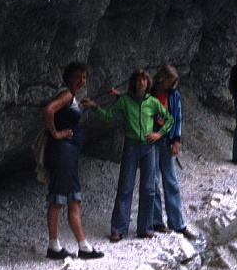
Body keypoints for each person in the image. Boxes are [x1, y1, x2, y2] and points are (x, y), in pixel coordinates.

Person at [82, 68, 173, 242]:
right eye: (139, 80)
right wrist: (94, 107)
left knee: (148, 188)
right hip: (131, 146)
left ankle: (145, 228)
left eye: (144, 80)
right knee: (125, 187)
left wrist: (159, 134)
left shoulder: (152, 102)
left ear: (148, 83)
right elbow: (108, 115)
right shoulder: (124, 100)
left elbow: (169, 119)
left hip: (149, 147)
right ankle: (118, 229)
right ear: (134, 82)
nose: (141, 83)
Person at [42, 62, 104, 260]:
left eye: (84, 77)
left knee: (73, 200)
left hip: (68, 154)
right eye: (78, 76)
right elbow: (49, 110)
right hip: (63, 153)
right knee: (59, 198)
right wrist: (56, 134)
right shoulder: (67, 95)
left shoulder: (71, 97)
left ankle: (82, 246)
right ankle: (55, 246)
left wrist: (79, 105)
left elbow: (63, 112)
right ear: (68, 77)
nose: (82, 80)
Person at [148, 65, 197, 240]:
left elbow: (177, 118)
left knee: (171, 182)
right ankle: (156, 221)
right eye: (170, 80)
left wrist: (176, 140)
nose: (171, 84)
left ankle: (177, 224)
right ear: (162, 78)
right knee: (152, 180)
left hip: (167, 140)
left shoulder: (174, 96)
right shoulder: (150, 93)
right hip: (151, 140)